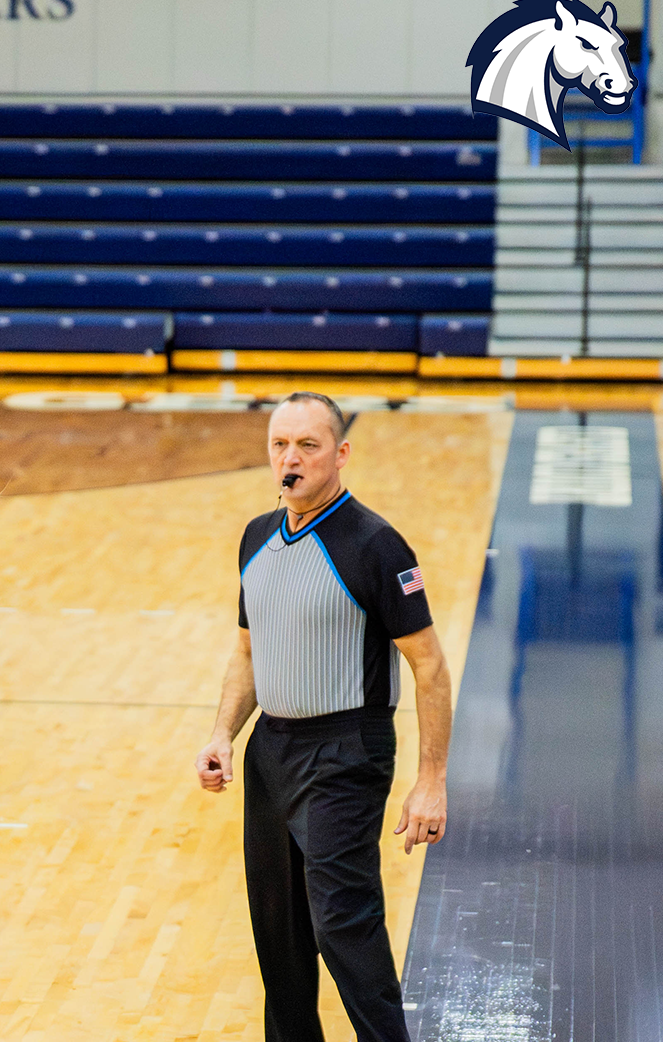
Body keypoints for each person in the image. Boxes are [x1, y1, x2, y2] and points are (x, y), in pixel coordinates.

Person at [195, 391, 453, 1042]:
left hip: (347, 750)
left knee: (343, 922)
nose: (291, 458)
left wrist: (431, 780)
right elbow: (249, 650)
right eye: (280, 445)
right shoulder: (257, 538)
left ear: (341, 453)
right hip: (272, 752)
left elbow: (429, 667)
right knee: (278, 932)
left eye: (308, 446)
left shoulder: (376, 544)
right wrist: (224, 733)